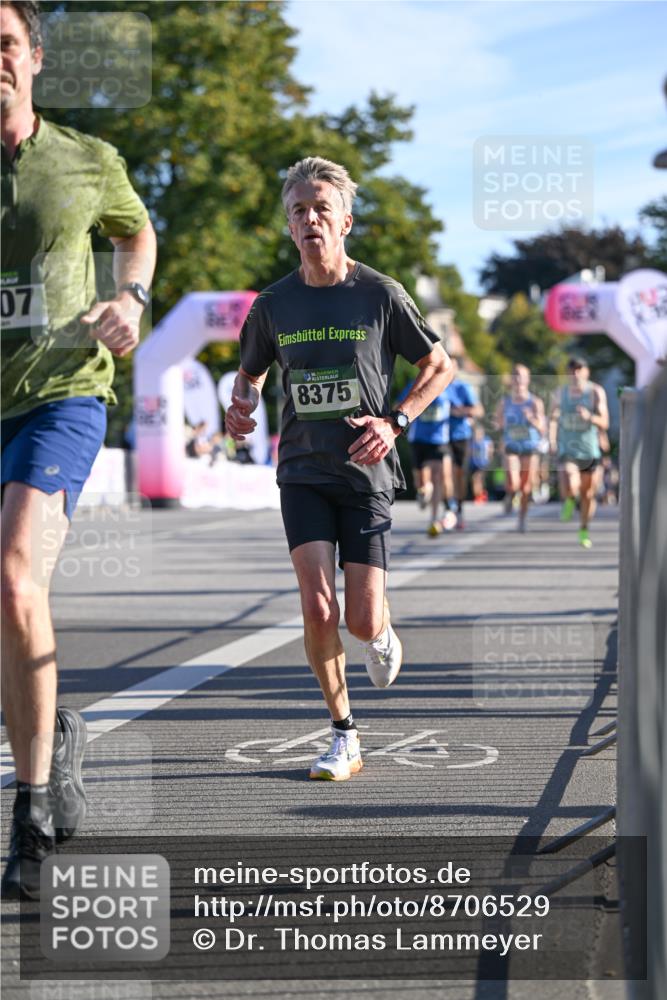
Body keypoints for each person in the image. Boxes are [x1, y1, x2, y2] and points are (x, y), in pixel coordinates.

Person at [225, 156, 451, 781]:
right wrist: (241, 406)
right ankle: (343, 735)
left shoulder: (379, 294)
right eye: (298, 211)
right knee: (318, 608)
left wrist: (396, 421)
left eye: (321, 209)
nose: (310, 220)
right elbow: (251, 373)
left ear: (345, 221)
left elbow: (440, 367)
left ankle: (379, 630)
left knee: (359, 618)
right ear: (289, 227)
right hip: (301, 469)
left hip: (365, 473)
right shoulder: (273, 304)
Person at [1, 0, 156, 899]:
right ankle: (50, 731)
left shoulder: (88, 160)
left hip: (61, 396)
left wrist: (130, 300)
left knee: (17, 575)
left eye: (7, 44)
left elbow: (138, 232)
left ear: (36, 57)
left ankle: (27, 813)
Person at [549, 356, 609, 549]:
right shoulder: (561, 393)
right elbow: (552, 417)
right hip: (568, 447)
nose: (575, 374)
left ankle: (584, 529)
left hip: (589, 449)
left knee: (588, 494)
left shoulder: (596, 392)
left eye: (579, 369)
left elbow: (605, 422)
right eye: (571, 370)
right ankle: (568, 499)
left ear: (586, 371)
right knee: (569, 478)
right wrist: (551, 440)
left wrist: (590, 417)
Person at [494, 364, 545, 532]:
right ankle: (510, 493)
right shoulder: (505, 402)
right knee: (513, 480)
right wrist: (499, 424)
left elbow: (542, 427)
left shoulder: (535, 402)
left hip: (530, 446)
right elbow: (497, 424)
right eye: (515, 375)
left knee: (526, 487)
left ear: (527, 380)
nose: (518, 379)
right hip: (511, 446)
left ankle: (522, 518)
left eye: (521, 376)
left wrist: (531, 418)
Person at [405, 385, 457, 536]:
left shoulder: (448, 389)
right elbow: (400, 405)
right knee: (421, 483)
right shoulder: (416, 384)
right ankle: (423, 492)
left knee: (437, 478)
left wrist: (459, 413)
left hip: (439, 440)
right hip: (418, 440)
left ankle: (435, 519)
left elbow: (467, 408)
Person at [445, 357, 483, 529]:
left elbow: (478, 410)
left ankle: (459, 508)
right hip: (441, 436)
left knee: (459, 473)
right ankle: (448, 508)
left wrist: (459, 411)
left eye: (453, 367)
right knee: (445, 473)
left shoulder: (463, 387)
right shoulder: (437, 386)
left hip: (461, 436)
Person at [470, 423, 493, 503]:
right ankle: (479, 495)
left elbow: (490, 450)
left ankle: (480, 495)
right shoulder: (471, 441)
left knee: (478, 479)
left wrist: (489, 460)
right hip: (473, 464)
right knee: (475, 480)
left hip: (482, 464)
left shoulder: (486, 440)